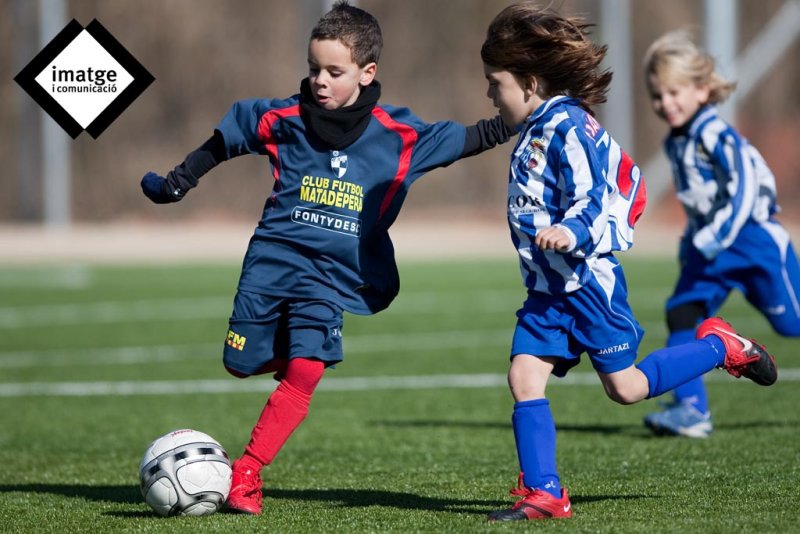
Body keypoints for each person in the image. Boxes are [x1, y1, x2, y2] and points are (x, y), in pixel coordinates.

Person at [141, 0, 513, 516]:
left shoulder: (399, 135)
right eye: (314, 68)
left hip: (331, 278)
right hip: (272, 262)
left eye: (333, 71)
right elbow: (225, 140)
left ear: (367, 72)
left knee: (308, 370)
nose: (319, 80)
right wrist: (178, 180)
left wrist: (530, 110)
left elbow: (476, 137)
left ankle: (247, 473)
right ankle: (282, 355)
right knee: (237, 362)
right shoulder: (285, 118)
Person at [479, 3, 778, 522]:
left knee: (627, 388)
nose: (489, 93)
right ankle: (546, 493)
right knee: (524, 377)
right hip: (548, 293)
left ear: (528, 83)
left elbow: (595, 196)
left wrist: (570, 230)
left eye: (494, 82)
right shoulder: (536, 126)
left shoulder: (567, 127)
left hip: (589, 286)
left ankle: (720, 346)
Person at [640, 31, 800, 438]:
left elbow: (745, 187)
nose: (666, 103)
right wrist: (694, 242)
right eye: (658, 96)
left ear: (702, 89)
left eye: (675, 92)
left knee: (792, 325)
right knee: (682, 312)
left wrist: (716, 235)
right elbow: (698, 202)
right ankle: (691, 409)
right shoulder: (676, 142)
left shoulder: (714, 133)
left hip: (753, 242)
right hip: (711, 250)